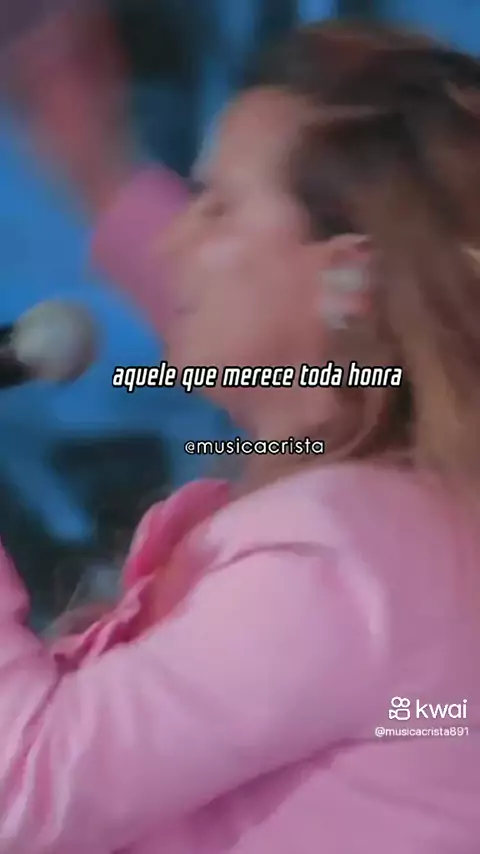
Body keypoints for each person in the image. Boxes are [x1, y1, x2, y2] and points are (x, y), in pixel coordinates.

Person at [1, 19, 480, 854]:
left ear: (350, 274)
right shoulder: (383, 510)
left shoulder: (328, 565)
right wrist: (99, 171)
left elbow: (21, 790)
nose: (173, 239)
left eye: (214, 207)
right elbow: (276, 333)